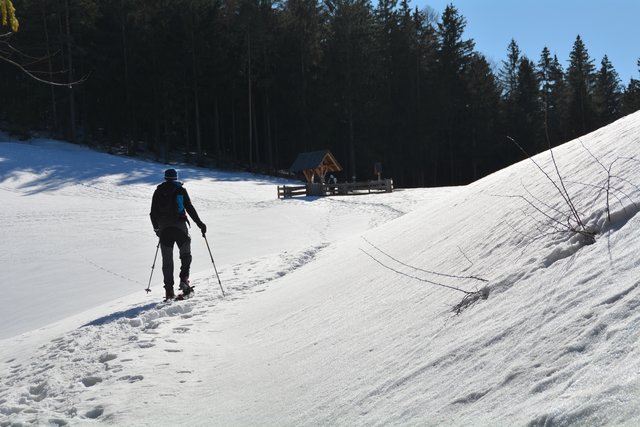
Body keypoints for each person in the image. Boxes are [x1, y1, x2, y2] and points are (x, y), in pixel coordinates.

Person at [150, 168, 207, 300]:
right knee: (185, 255)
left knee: (167, 260)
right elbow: (189, 208)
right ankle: (184, 281)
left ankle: (169, 290)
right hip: (180, 227)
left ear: (165, 177)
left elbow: (152, 213)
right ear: (176, 177)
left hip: (164, 229)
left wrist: (157, 229)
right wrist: (200, 224)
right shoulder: (180, 190)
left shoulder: (158, 191)